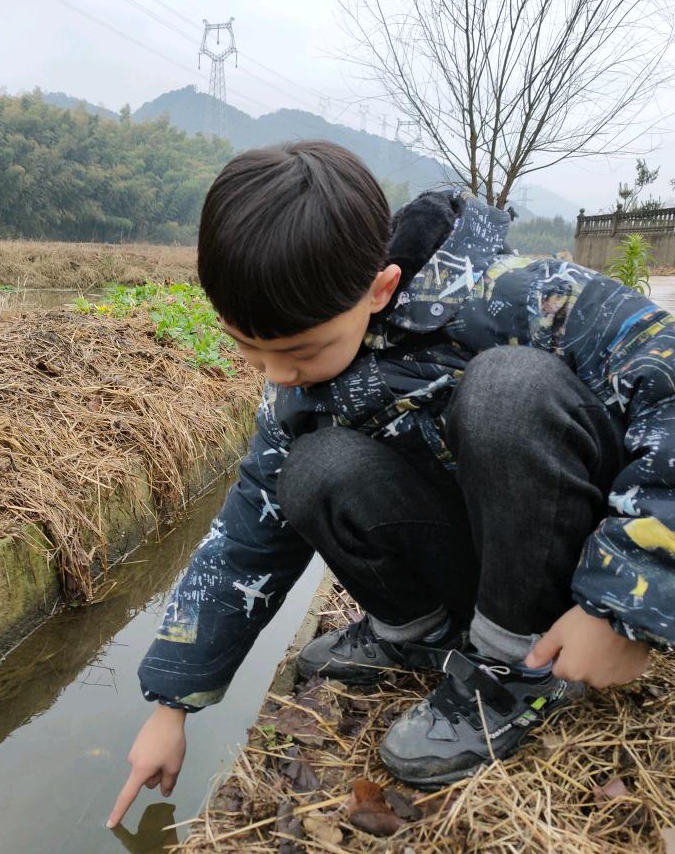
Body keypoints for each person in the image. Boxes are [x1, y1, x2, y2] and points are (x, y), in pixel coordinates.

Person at [107, 140, 673, 826]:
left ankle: (513, 673)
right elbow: (245, 539)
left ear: (379, 287)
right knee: (309, 469)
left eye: (299, 351)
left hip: (555, 563)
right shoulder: (292, 390)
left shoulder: (523, 298)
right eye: (245, 346)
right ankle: (417, 636)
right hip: (473, 556)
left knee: (506, 392)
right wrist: (173, 707)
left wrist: (622, 601)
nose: (275, 373)